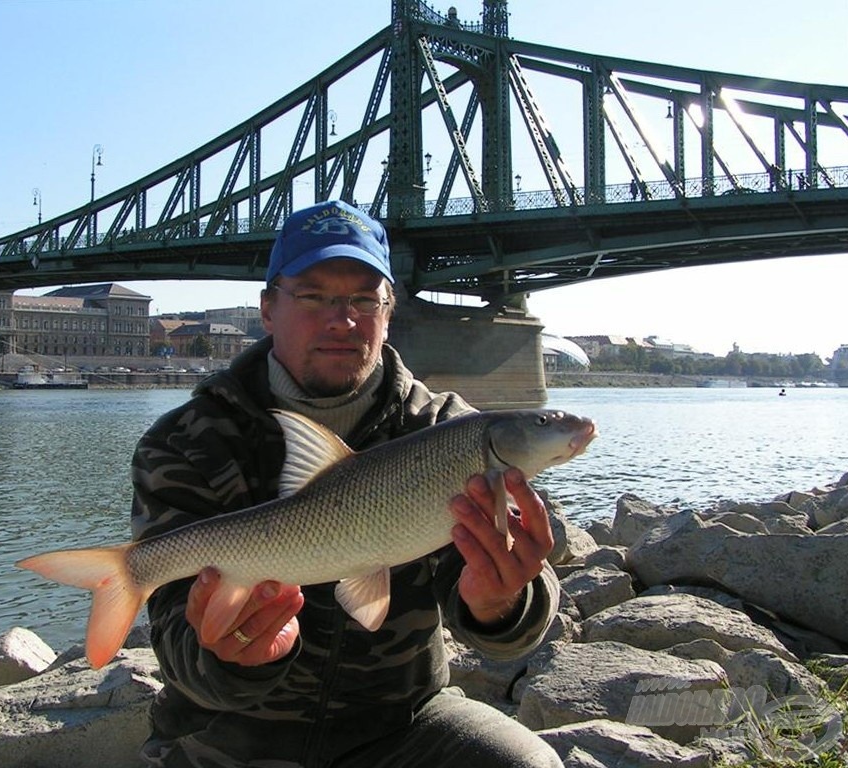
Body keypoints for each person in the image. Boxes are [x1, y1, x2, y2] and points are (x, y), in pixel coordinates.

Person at [130, 199, 564, 768]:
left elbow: (511, 629)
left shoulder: (449, 430)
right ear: (267, 309)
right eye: (314, 296)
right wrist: (233, 658)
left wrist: (501, 601)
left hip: (402, 725)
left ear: (389, 311)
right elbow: (175, 638)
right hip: (225, 736)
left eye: (365, 299)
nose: (342, 319)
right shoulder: (185, 442)